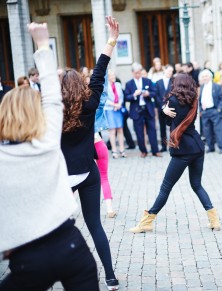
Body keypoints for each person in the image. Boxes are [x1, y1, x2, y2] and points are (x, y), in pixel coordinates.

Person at [0, 22, 99, 290]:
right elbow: (53, 99)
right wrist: (42, 44)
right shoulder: (46, 143)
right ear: (38, 114)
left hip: (27, 258)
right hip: (71, 246)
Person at [60, 16, 120, 290]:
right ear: (80, 86)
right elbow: (100, 70)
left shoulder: (53, 111)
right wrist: (111, 39)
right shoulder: (91, 101)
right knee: (95, 226)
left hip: (63, 176)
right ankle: (111, 277)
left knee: (57, 228)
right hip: (87, 171)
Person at [129, 73, 221, 233]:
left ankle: (146, 222)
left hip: (183, 149)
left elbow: (168, 123)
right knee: (197, 185)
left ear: (176, 84)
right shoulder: (194, 99)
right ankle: (214, 220)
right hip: (197, 146)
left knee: (165, 187)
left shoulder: (172, 100)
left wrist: (164, 110)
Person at [125, 62, 161, 157]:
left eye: (139, 72)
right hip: (136, 111)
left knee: (152, 130)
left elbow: (154, 92)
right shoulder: (129, 84)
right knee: (139, 132)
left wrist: (148, 94)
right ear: (132, 73)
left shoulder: (147, 81)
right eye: (136, 73)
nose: (138, 74)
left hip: (148, 109)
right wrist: (134, 95)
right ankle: (143, 151)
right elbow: (126, 97)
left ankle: (155, 150)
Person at [95, 73, 117, 218]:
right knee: (104, 177)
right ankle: (109, 209)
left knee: (76, 178)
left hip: (84, 146)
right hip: (97, 142)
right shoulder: (96, 104)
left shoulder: (76, 108)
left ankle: (67, 210)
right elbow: (104, 94)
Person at [199, 69, 222, 153]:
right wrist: (200, 109)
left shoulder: (216, 86)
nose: (205, 78)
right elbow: (200, 99)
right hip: (205, 112)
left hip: (215, 111)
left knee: (218, 131)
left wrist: (218, 109)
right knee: (207, 131)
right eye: (203, 76)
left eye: (206, 76)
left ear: (211, 77)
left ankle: (221, 148)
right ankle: (211, 147)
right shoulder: (202, 87)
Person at [105, 69, 126, 158]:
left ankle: (122, 149)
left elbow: (121, 96)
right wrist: (114, 104)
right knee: (112, 131)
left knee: (120, 129)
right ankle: (114, 150)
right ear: (108, 77)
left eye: (114, 75)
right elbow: (104, 99)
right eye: (111, 76)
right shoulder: (105, 86)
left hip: (118, 109)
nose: (113, 77)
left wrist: (119, 104)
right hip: (110, 109)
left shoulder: (118, 85)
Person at [155, 65, 174, 152]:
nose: (170, 73)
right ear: (165, 70)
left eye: (171, 71)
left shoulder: (174, 81)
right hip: (161, 109)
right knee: (162, 128)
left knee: (172, 127)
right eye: (169, 71)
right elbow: (156, 96)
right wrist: (162, 106)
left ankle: (172, 145)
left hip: (171, 108)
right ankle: (163, 145)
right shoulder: (158, 82)